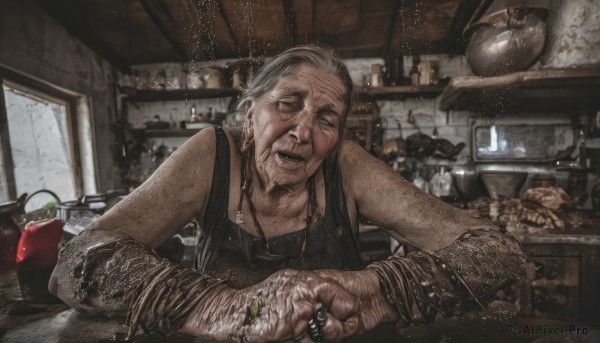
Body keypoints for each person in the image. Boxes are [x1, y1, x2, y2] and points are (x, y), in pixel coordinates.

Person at [49, 46, 535, 342]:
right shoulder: (211, 154)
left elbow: (497, 254)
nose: (303, 133)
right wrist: (222, 309)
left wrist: (377, 291)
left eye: (326, 119)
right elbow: (77, 261)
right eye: (287, 105)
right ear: (250, 112)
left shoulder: (346, 163)